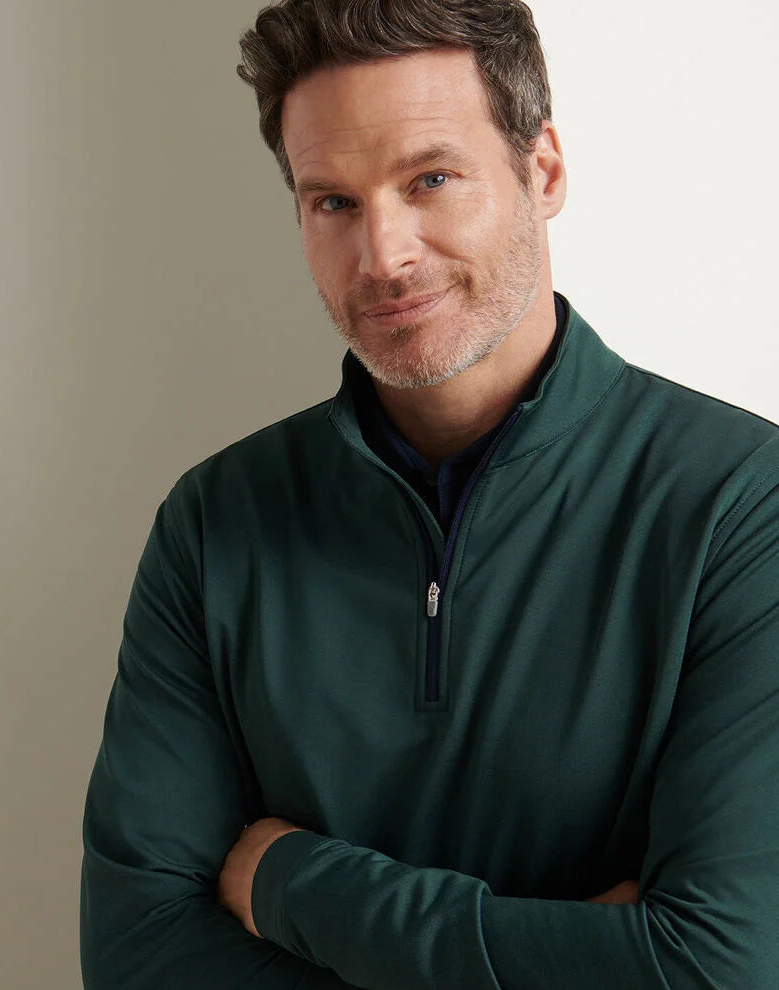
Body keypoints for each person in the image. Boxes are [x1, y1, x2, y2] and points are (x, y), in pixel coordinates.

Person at [79, 1, 779, 987]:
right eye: (333, 202)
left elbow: (718, 970)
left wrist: (289, 882)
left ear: (543, 171)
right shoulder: (214, 524)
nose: (385, 255)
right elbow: (136, 958)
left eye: (430, 180)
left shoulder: (742, 506)